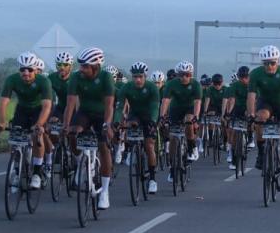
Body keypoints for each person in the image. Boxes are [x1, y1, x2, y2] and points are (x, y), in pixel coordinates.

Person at [63, 46, 116, 210]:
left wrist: (107, 125)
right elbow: (70, 103)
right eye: (81, 65)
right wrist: (66, 125)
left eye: (85, 66)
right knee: (73, 134)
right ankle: (81, 164)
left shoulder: (106, 77)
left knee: (103, 146)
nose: (82, 69)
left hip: (102, 114)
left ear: (96, 66)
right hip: (85, 112)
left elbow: (109, 105)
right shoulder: (76, 77)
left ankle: (105, 192)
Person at [0, 51, 54, 190]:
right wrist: (3, 122)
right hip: (22, 110)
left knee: (37, 136)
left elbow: (47, 105)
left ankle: (36, 173)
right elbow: (3, 102)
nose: (26, 73)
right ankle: (17, 170)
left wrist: (39, 124)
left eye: (30, 69)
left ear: (35, 69)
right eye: (23, 69)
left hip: (38, 110)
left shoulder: (43, 81)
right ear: (19, 70)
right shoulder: (12, 80)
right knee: (15, 139)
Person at [246, 45, 280, 192]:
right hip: (265, 103)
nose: (269, 66)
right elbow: (251, 97)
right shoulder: (255, 74)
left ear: (278, 62)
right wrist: (251, 114)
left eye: (272, 63)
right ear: (262, 64)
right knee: (260, 118)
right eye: (266, 63)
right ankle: (261, 153)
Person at [120, 61, 161, 194]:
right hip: (135, 115)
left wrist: (153, 121)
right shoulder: (127, 87)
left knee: (149, 146)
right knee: (129, 126)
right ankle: (132, 148)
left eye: (140, 76)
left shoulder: (152, 88)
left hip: (149, 115)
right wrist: (117, 122)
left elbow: (155, 107)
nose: (138, 79)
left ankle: (153, 180)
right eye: (135, 77)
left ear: (145, 76)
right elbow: (119, 107)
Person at [159, 60, 203, 165]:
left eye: (187, 75)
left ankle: (192, 147)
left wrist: (196, 116)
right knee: (173, 137)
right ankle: (172, 166)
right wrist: (162, 116)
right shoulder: (171, 84)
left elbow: (197, 102)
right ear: (177, 75)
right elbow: (165, 101)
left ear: (190, 75)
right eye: (181, 75)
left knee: (189, 122)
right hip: (175, 108)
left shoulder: (196, 85)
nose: (184, 77)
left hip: (189, 108)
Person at [222, 67, 250, 169]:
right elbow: (232, 99)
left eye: (246, 77)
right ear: (238, 77)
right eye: (241, 77)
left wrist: (251, 111)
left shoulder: (252, 85)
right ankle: (234, 159)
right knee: (233, 133)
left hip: (249, 108)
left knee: (252, 123)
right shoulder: (235, 85)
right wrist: (228, 113)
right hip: (237, 109)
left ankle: (250, 139)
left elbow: (255, 99)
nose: (244, 79)